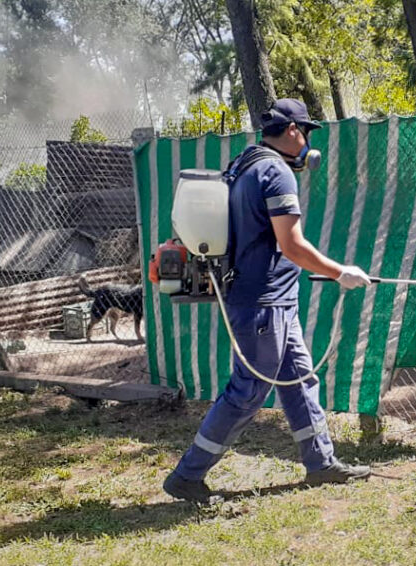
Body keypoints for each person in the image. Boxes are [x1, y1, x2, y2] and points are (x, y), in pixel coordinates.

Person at [163, 98, 373, 504]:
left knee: (299, 380)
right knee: (249, 390)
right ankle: (187, 475)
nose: (309, 141)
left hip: (270, 299)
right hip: (263, 304)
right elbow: (292, 245)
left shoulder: (245, 164)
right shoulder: (277, 173)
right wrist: (338, 272)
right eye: (307, 132)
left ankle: (321, 463)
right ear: (293, 131)